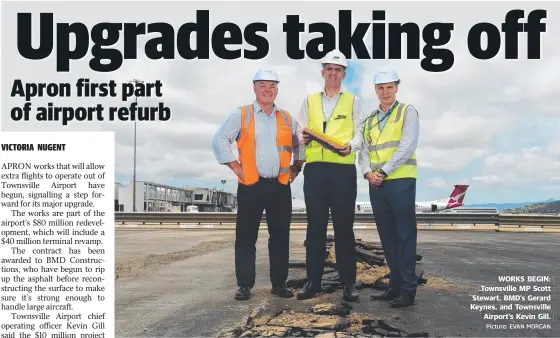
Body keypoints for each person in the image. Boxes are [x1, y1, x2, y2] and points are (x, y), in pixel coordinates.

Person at [212, 68, 305, 301]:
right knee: (245, 237)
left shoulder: (287, 118)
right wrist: (235, 166)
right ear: (254, 88)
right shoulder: (242, 114)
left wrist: (297, 166)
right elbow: (220, 139)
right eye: (263, 85)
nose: (268, 89)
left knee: (280, 236)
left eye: (272, 85)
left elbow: (300, 143)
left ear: (277, 90)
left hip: (280, 186)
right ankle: (244, 285)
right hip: (251, 185)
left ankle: (279, 284)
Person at [296, 49, 366, 302]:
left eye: (338, 70)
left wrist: (352, 146)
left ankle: (349, 283)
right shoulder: (309, 100)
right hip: (315, 169)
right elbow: (299, 130)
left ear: (344, 74)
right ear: (322, 72)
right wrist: (301, 138)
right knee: (315, 227)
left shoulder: (354, 101)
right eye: (330, 69)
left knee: (343, 228)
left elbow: (360, 132)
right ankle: (313, 281)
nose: (333, 73)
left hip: (342, 170)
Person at [358, 69, 420, 307]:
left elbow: (407, 146)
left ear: (396, 88)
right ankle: (395, 285)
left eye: (389, 87)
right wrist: (367, 173)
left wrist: (383, 172)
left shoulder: (407, 112)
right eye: (380, 88)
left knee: (404, 236)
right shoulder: (370, 120)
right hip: (377, 184)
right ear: (375, 90)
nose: (385, 92)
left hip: (400, 180)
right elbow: (363, 151)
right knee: (387, 237)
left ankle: (407, 289)